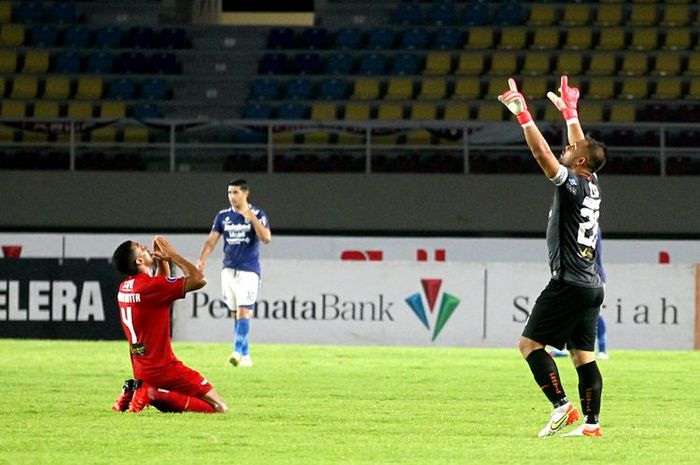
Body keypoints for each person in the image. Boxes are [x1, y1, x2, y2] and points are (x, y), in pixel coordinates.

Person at [498, 76, 607, 438]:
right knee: (583, 357)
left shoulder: (572, 183)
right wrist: (570, 112)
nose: (566, 148)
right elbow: (582, 148)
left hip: (569, 284)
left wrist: (524, 116)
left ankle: (562, 407)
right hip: (592, 285)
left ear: (577, 160)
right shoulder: (591, 184)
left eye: (571, 149)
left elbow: (542, 155)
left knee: (529, 345)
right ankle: (592, 426)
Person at [111, 235, 228, 414]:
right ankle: (152, 393)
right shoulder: (149, 287)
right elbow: (199, 279)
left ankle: (137, 391)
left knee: (190, 402)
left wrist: (163, 261)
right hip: (163, 368)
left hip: (142, 369)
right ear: (139, 260)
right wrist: (173, 255)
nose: (146, 248)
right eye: (141, 247)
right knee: (219, 408)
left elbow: (160, 285)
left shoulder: (125, 287)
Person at [197, 178, 271, 367]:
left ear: (246, 193)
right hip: (228, 270)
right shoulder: (223, 216)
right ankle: (245, 356)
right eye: (229, 193)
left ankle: (237, 351)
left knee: (243, 310)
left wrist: (252, 218)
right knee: (234, 313)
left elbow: (266, 238)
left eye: (235, 192)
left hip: (249, 271)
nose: (232, 196)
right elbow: (211, 241)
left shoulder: (258, 214)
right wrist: (202, 259)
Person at [551, 230, 609, 360]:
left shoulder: (585, 226)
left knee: (579, 312)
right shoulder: (589, 224)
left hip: (587, 276)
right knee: (581, 313)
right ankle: (601, 350)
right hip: (590, 276)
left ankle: (563, 347)